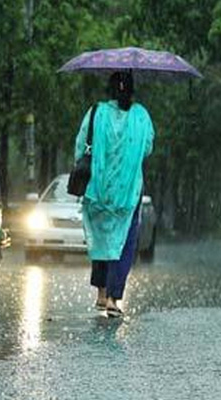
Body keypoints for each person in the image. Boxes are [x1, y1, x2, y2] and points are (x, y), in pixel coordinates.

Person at [75, 71, 154, 318]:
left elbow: (80, 147)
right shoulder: (141, 116)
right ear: (132, 91)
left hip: (97, 189)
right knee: (124, 243)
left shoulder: (96, 112)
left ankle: (100, 293)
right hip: (128, 192)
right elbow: (148, 148)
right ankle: (113, 298)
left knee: (102, 240)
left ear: (109, 90)